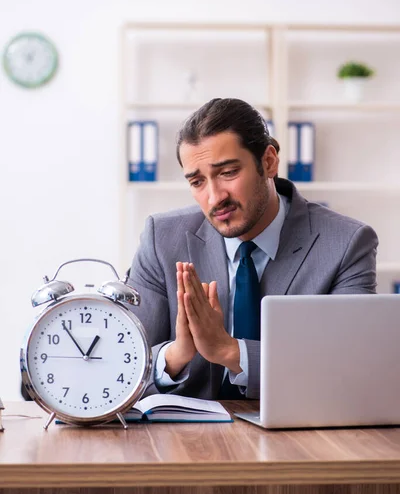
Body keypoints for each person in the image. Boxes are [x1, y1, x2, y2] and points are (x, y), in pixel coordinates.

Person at [128, 98, 378, 400]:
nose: (214, 197)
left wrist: (228, 351)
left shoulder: (346, 243)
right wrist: (177, 354)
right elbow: (124, 364)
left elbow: (350, 369)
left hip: (300, 436)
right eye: (197, 181)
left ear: (268, 162)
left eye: (228, 173)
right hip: (185, 439)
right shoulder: (162, 239)